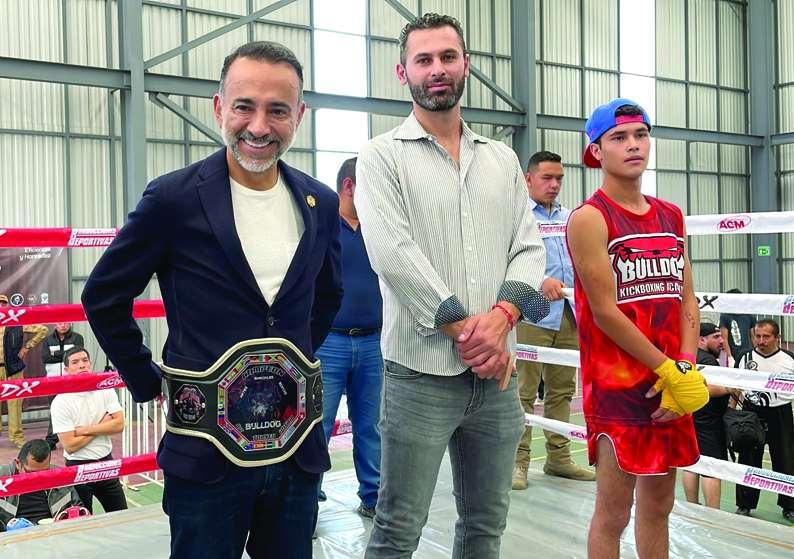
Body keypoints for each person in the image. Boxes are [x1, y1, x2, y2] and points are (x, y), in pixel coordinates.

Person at [81, 40, 343, 559]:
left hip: (295, 452)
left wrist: (285, 363)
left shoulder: (321, 202)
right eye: (245, 106)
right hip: (206, 455)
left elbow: (328, 294)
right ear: (220, 107)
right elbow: (104, 295)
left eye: (278, 110)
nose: (259, 126)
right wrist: (146, 379)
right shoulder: (173, 198)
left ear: (299, 116)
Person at [355, 14, 548, 558]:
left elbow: (529, 248)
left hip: (497, 379)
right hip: (419, 376)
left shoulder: (501, 160)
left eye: (447, 57)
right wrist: (469, 331)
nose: (436, 69)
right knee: (397, 530)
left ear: (466, 65)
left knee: (486, 527)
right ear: (403, 72)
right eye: (424, 60)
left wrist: (502, 320)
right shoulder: (381, 156)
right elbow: (392, 253)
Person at [566, 97, 709, 558]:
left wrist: (684, 366)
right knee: (613, 514)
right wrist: (667, 368)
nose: (633, 145)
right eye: (619, 137)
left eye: (641, 135)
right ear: (596, 151)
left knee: (660, 505)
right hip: (619, 388)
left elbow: (686, 297)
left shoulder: (671, 215)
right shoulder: (590, 218)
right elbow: (605, 312)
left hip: (671, 383)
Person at [512, 150, 595, 490]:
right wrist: (539, 280)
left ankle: (559, 459)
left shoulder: (571, 217)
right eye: (547, 178)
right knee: (523, 391)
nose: (554, 184)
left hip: (569, 314)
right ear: (528, 179)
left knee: (562, 390)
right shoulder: (517, 216)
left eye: (559, 178)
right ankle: (517, 463)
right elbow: (505, 260)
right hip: (532, 311)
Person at [316, 157, 382, 518]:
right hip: (329, 343)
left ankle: (374, 498)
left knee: (372, 426)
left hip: (374, 342)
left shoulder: (381, 229)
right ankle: (306, 504)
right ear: (349, 186)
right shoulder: (320, 226)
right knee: (317, 427)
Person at [51, 347, 128, 514]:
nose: (81, 365)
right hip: (78, 466)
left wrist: (83, 430)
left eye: (85, 360)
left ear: (90, 364)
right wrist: (102, 425)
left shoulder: (104, 388)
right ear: (66, 370)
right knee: (83, 520)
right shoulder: (60, 402)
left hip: (106, 463)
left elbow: (119, 424)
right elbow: (70, 445)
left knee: (121, 515)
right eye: (75, 362)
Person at [733, 319, 794, 522]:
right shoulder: (744, 357)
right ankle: (744, 504)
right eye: (757, 336)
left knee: (786, 461)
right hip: (751, 413)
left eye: (766, 336)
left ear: (777, 337)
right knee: (748, 458)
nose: (761, 341)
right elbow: (734, 384)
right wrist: (731, 413)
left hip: (781, 414)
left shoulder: (789, 359)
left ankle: (789, 506)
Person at [682, 322, 741, 509]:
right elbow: (705, 389)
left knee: (691, 464)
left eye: (721, 336)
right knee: (712, 468)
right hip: (708, 422)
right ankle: (713, 513)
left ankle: (692, 507)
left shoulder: (689, 357)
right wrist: (731, 387)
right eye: (716, 337)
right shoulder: (708, 361)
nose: (721, 341)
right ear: (701, 340)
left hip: (690, 417)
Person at [0, 439, 83, 530]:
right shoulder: (3, 477)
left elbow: (78, 508)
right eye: (31, 473)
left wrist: (72, 515)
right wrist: (6, 525)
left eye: (44, 472)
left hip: (53, 532)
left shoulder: (59, 477)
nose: (37, 478)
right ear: (18, 464)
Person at [0, 294, 48, 448]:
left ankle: (17, 438)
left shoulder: (17, 321)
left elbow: (43, 329)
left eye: (3, 303)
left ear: (8, 306)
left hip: (13, 368)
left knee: (15, 403)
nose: (1, 306)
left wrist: (27, 347)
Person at [42, 322, 85, 450]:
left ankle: (77, 435)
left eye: (65, 323)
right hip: (53, 381)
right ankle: (51, 440)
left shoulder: (77, 338)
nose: (63, 325)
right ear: (55, 325)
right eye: (60, 323)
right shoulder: (47, 340)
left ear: (70, 324)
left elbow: (77, 356)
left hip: (72, 380)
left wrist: (55, 353)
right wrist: (65, 354)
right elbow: (45, 358)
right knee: (54, 409)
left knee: (76, 408)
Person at [719, 289, 755, 364]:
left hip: (747, 353)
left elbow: (753, 336)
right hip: (733, 354)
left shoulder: (749, 316)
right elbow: (724, 338)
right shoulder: (725, 316)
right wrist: (729, 357)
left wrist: (756, 352)